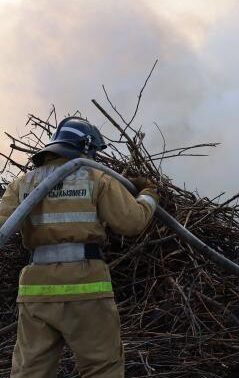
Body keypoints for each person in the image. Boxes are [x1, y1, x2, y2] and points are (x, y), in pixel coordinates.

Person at [0, 116, 159, 378]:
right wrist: (148, 195)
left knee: (30, 372)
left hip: (36, 291)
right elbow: (132, 222)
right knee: (102, 368)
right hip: (87, 287)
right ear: (86, 149)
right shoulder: (96, 178)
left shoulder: (23, 183)